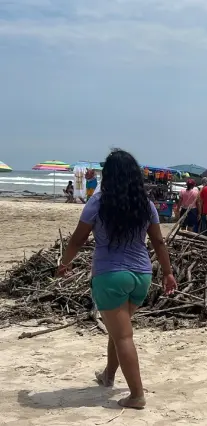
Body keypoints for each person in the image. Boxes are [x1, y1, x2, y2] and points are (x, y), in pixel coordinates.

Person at [57, 149, 177, 409]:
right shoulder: (145, 204)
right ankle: (108, 375)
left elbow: (78, 239)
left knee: (123, 336)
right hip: (141, 276)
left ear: (108, 176)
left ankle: (136, 395)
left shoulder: (98, 202)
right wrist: (167, 272)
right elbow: (158, 241)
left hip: (110, 276)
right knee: (118, 331)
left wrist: (65, 263)